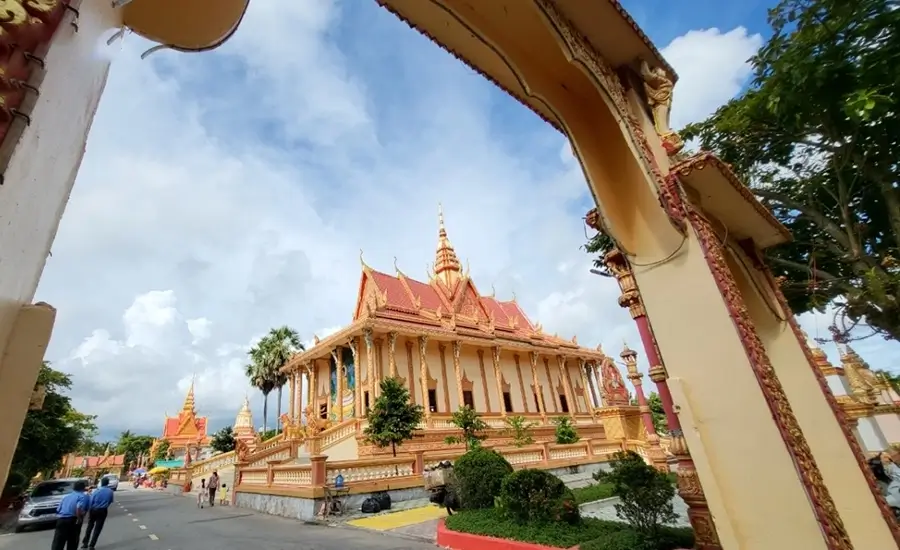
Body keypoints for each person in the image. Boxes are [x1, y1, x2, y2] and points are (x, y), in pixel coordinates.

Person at [51, 480, 89, 550]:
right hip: (73, 520)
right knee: (72, 541)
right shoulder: (84, 497)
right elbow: (79, 509)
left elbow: (58, 509)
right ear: (83, 488)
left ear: (74, 488)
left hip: (61, 520)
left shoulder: (66, 497)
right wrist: (80, 519)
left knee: (58, 542)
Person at [82, 477, 114, 549]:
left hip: (93, 510)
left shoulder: (96, 491)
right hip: (103, 510)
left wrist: (89, 510)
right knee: (98, 528)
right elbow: (110, 501)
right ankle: (92, 545)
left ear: (101, 483)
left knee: (90, 526)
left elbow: (91, 501)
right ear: (108, 483)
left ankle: (85, 543)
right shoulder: (110, 491)